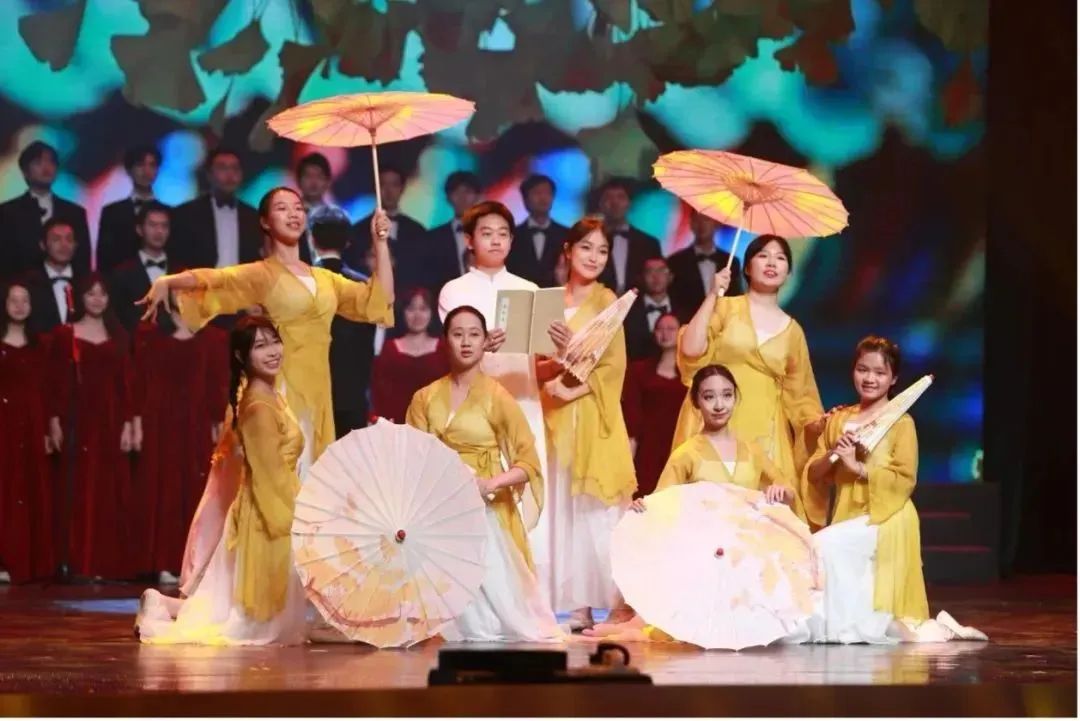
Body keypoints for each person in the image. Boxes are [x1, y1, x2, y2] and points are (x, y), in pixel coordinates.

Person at [586, 363, 986, 647]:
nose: (719, 404)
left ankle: (860, 624)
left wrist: (779, 491)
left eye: (726, 395)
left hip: (748, 551)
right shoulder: (687, 453)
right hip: (707, 551)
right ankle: (637, 624)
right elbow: (666, 501)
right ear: (697, 404)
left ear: (736, 399)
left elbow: (787, 487)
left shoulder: (750, 449)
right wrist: (644, 508)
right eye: (709, 397)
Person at [137, 187, 394, 476]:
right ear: (265, 222)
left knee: (315, 486)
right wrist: (168, 282)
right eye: (282, 208)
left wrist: (380, 243)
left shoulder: (325, 280)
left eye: (298, 207)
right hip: (280, 392)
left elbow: (380, 300)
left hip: (319, 394)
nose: (293, 214)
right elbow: (218, 279)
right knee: (281, 484)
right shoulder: (262, 274)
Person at [135, 316, 308, 646]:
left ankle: (162, 604)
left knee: (227, 607)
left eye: (275, 341)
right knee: (250, 625)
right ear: (242, 356)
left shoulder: (270, 395)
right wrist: (298, 519)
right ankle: (163, 606)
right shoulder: (258, 405)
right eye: (261, 346)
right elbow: (269, 477)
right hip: (266, 512)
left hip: (270, 503)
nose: (273, 351)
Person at [407, 305, 562, 642]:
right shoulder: (424, 397)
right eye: (457, 334)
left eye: (474, 334)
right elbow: (413, 458)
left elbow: (528, 463)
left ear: (484, 342)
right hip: (439, 507)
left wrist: (490, 483)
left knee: (494, 621)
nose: (466, 342)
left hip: (485, 506)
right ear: (445, 340)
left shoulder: (497, 396)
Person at [532, 217, 636, 631]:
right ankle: (576, 606)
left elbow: (614, 367)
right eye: (586, 248)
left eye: (602, 250)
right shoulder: (548, 302)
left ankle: (616, 603)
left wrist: (571, 389)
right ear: (568, 250)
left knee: (597, 512)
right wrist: (556, 363)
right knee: (563, 510)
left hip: (592, 413)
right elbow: (536, 365)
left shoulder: (608, 301)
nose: (594, 257)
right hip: (554, 417)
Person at [674, 234, 828, 501]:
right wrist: (712, 295)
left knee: (761, 514)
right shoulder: (726, 308)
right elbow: (690, 349)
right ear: (746, 267)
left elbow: (801, 396)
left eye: (780, 258)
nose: (772, 262)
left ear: (789, 272)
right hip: (716, 416)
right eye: (763, 255)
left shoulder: (793, 331)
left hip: (765, 431)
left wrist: (818, 424)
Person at [437, 201, 550, 498]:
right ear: (469, 240)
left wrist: (560, 344)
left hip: (523, 397)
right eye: (486, 233)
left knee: (526, 486)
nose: (496, 240)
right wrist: (482, 345)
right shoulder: (454, 290)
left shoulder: (530, 289)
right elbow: (454, 346)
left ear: (512, 240)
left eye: (503, 234)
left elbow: (544, 354)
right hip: (474, 403)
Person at [130, 303, 228, 584]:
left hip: (197, 423)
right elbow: (141, 382)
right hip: (161, 424)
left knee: (198, 490)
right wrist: (137, 422)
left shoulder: (212, 339)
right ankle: (165, 561)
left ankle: (197, 561)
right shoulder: (153, 339)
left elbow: (217, 384)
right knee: (165, 489)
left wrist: (218, 424)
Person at [47, 274, 135, 580]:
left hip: (110, 420)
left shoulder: (119, 336)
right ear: (81, 298)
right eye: (91, 294)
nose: (97, 299)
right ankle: (77, 561)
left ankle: (106, 563)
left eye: (102, 294)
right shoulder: (65, 335)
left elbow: (127, 384)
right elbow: (56, 383)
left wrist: (129, 423)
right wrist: (54, 421)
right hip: (78, 420)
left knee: (109, 490)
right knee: (78, 489)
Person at [0, 280, 56, 584]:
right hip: (4, 425)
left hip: (32, 424)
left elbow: (47, 389)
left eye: (25, 300)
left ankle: (31, 562)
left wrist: (49, 427)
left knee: (31, 488)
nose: (19, 306)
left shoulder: (40, 346)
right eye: (14, 300)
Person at [309, 206, 376, 437]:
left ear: (312, 240)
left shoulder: (300, 283)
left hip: (311, 398)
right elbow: (367, 348)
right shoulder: (363, 286)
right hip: (352, 397)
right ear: (347, 242)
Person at [0, 141, 91, 280]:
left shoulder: (75, 212)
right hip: (21, 287)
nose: (46, 167)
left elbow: (83, 259)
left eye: (51, 162)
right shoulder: (7, 212)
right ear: (25, 171)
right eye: (38, 162)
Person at [621, 313, 689, 498]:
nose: (665, 333)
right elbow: (633, 420)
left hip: (681, 444)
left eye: (671, 329)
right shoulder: (639, 371)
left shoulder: (691, 373)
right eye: (660, 329)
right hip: (648, 449)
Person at [170, 147, 265, 270]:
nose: (230, 174)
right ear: (209, 174)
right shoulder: (187, 214)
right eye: (222, 168)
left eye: (235, 168)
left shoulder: (253, 217)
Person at [370, 288, 449, 423]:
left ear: (432, 313)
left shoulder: (445, 349)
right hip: (396, 425)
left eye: (423, 309)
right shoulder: (389, 349)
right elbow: (377, 392)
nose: (417, 315)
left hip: (435, 424)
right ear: (402, 312)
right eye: (411, 309)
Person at [345, 166, 426, 283]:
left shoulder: (417, 231)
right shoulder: (357, 231)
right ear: (375, 188)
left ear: (402, 188)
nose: (389, 191)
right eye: (383, 184)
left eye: (394, 185)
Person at [97, 145, 166, 274]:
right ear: (129, 170)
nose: (146, 171)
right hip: (121, 282)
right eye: (140, 165)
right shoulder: (111, 213)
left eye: (152, 165)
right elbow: (103, 259)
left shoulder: (171, 213)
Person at [108, 202, 176, 332]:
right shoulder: (121, 274)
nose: (159, 231)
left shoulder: (182, 271)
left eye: (164, 226)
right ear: (139, 229)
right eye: (153, 225)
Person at [412, 171, 481, 294]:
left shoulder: (494, 235)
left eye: (467, 191)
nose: (462, 198)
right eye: (457, 192)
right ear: (448, 198)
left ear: (477, 196)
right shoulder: (433, 239)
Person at [666, 208, 743, 313]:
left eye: (706, 219)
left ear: (717, 224)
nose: (701, 224)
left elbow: (736, 297)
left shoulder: (731, 262)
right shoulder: (676, 261)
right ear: (691, 224)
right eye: (696, 219)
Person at [592, 177, 661, 295]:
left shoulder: (649, 244)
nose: (615, 203)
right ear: (600, 204)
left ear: (629, 203)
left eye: (620, 197)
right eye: (608, 197)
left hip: (639, 304)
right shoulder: (589, 243)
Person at [506, 174, 568, 287]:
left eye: (547, 193)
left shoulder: (567, 234)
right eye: (536, 193)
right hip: (520, 294)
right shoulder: (512, 236)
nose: (543, 198)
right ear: (525, 199)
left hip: (556, 295)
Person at [26, 218, 84, 336]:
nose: (64, 245)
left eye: (69, 239)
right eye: (56, 239)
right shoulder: (27, 283)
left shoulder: (86, 281)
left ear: (75, 245)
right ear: (43, 245)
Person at [622, 257, 687, 360]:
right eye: (649, 272)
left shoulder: (684, 310)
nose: (656, 276)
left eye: (661, 271)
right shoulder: (627, 312)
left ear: (670, 277)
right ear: (641, 278)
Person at [295, 152, 348, 262]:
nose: (313, 182)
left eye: (319, 177)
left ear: (328, 182)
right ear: (298, 181)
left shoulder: (336, 218)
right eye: (308, 176)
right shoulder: (292, 215)